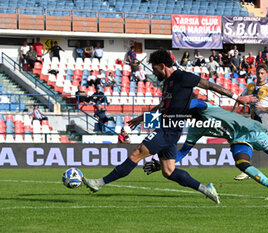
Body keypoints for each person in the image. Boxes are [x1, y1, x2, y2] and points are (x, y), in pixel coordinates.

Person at [82, 49, 256, 204]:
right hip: (167, 129)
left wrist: (237, 97)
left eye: (155, 68)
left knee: (136, 153)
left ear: (163, 65)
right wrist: (142, 117)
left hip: (169, 130)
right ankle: (206, 188)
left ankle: (99, 183)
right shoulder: (167, 83)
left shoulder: (183, 77)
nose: (154, 72)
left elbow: (210, 85)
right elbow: (163, 105)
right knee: (168, 171)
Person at [143, 99, 268, 199]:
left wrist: (174, 107)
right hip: (237, 138)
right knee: (242, 163)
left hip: (252, 130)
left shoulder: (205, 107)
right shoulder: (194, 128)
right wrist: (162, 164)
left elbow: (193, 102)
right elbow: (183, 152)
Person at [233, 63, 268, 180]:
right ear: (255, 74)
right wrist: (232, 113)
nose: (260, 75)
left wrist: (265, 108)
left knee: (247, 140)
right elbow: (239, 99)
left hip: (263, 121)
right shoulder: (250, 86)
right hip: (254, 120)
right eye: (258, 73)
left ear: (266, 74)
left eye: (262, 73)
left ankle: (246, 169)